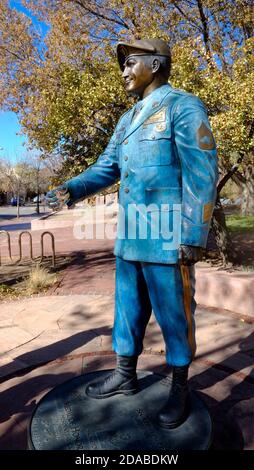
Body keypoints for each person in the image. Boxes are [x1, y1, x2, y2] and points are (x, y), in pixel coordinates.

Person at [46, 39, 218, 429]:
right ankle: (126, 373)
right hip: (131, 235)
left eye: (130, 63)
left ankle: (179, 385)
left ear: (156, 64)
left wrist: (193, 234)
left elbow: (201, 171)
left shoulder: (183, 106)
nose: (123, 71)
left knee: (175, 314)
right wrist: (72, 188)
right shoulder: (127, 120)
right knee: (127, 310)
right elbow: (107, 166)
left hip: (168, 235)